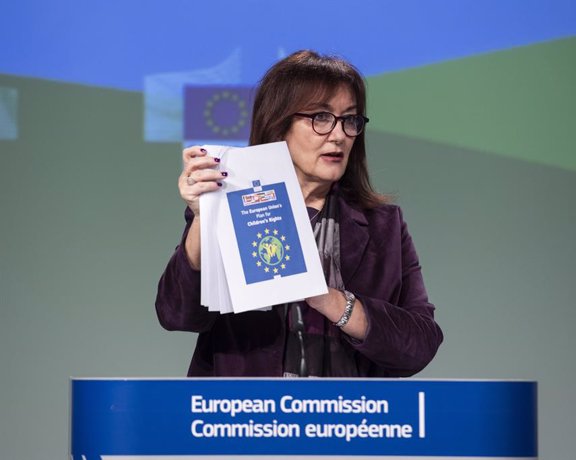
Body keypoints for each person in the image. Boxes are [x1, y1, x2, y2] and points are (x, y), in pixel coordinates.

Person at [156, 50, 443, 377]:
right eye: (321, 117)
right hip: (245, 416)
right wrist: (204, 217)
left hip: (351, 419)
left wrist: (332, 302)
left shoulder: (383, 225)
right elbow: (177, 315)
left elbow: (420, 343)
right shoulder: (234, 205)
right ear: (280, 125)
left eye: (349, 119)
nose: (338, 135)